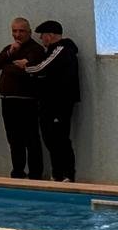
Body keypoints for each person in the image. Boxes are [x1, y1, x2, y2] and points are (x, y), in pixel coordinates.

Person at [15, 20, 79, 182]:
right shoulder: (51, 51)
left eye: (42, 35)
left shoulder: (61, 49)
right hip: (48, 102)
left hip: (59, 102)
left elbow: (42, 67)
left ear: (50, 36)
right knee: (50, 139)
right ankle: (57, 173)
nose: (41, 39)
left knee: (60, 138)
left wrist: (26, 66)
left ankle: (67, 174)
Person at [0, 17, 44, 179]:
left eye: (21, 31)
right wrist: (9, 54)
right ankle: (18, 171)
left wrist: (8, 66)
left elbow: (31, 71)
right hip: (8, 100)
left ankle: (35, 174)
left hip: (27, 101)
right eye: (14, 31)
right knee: (14, 139)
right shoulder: (10, 49)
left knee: (31, 138)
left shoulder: (36, 50)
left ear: (29, 32)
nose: (17, 34)